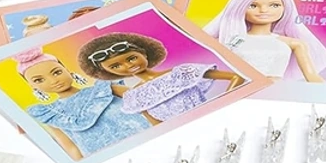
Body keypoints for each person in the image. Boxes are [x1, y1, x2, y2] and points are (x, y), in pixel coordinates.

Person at [77, 32, 244, 124]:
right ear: (108, 72)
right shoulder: (134, 96)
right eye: (115, 66)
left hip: (218, 120)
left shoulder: (181, 72)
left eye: (131, 58)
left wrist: (222, 106)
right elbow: (156, 124)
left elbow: (236, 77)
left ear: (143, 53)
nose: (127, 66)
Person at [15, 47, 148, 161]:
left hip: (145, 141)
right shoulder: (50, 113)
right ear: (32, 85)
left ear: (66, 69)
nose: (53, 81)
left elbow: (143, 101)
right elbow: (70, 146)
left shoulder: (103, 89)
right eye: (39, 80)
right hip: (104, 159)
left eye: (57, 72)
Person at [203, 0, 326, 82]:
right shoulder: (231, 40)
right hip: (242, 90)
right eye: (253, 6)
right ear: (240, 9)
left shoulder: (293, 43)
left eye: (274, 5)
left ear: (285, 8)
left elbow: (312, 77)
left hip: (277, 90)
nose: (263, 10)